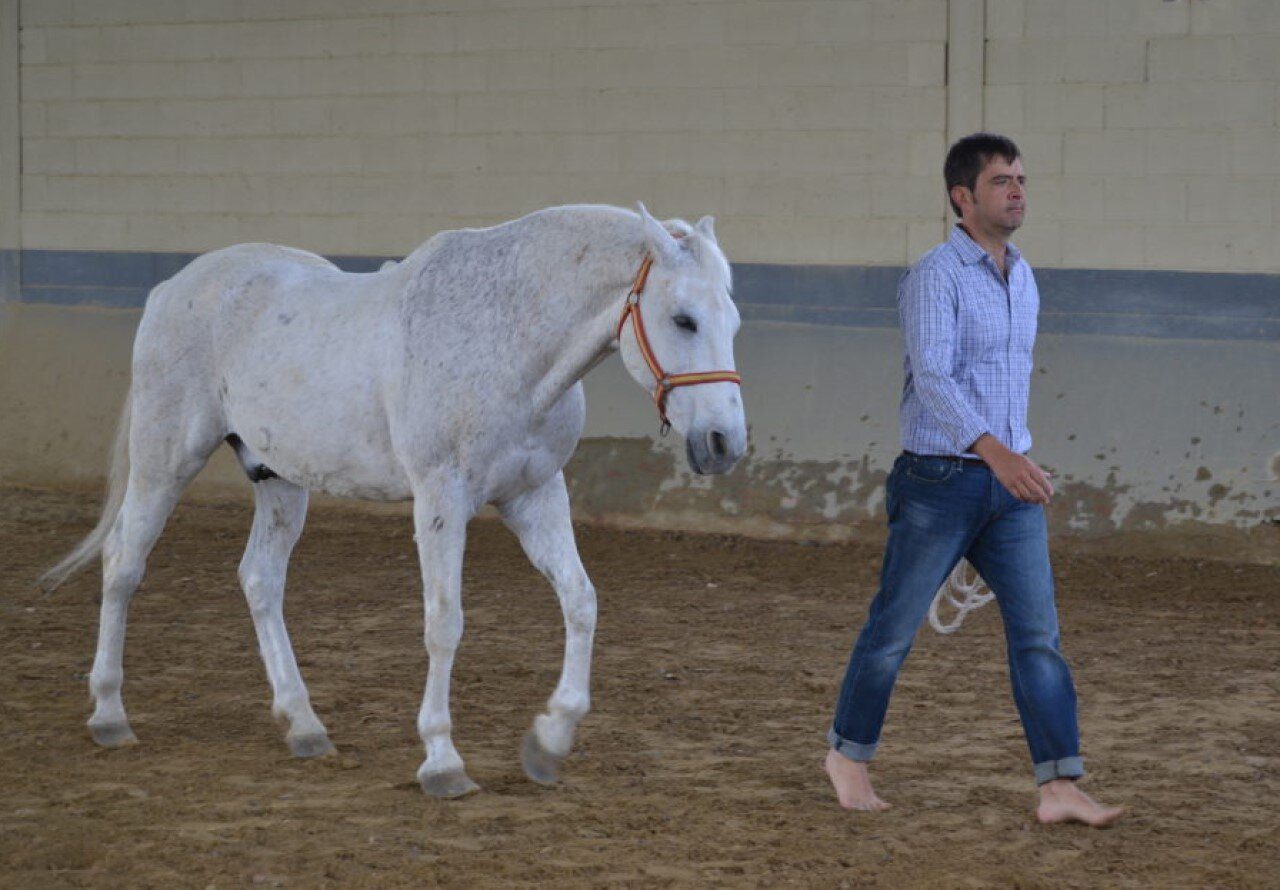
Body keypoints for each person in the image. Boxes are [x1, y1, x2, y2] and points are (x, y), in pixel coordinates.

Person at [823, 133, 1124, 827]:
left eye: (1020, 179)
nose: (1016, 191)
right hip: (939, 481)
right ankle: (848, 754)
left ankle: (1059, 787)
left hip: (1009, 486)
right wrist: (998, 454)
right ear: (963, 197)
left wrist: (1017, 453)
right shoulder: (937, 274)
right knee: (893, 632)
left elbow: (1005, 382)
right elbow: (932, 377)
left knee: (1038, 637)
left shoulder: (1023, 274)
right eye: (1000, 181)